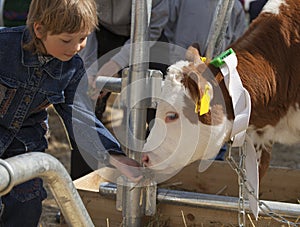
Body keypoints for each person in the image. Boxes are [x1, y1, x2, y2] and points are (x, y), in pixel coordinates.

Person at [0, 0, 142, 226]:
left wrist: (114, 156)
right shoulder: (4, 46)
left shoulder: (72, 68)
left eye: (83, 39)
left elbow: (80, 116)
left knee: (28, 201)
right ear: (39, 30)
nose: (76, 47)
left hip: (25, 144)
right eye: (67, 40)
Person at [164, 0, 247, 160]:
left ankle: (212, 163)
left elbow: (238, 44)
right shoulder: (180, 2)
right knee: (177, 124)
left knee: (212, 126)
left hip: (216, 80)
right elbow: (168, 29)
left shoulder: (233, 7)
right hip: (181, 75)